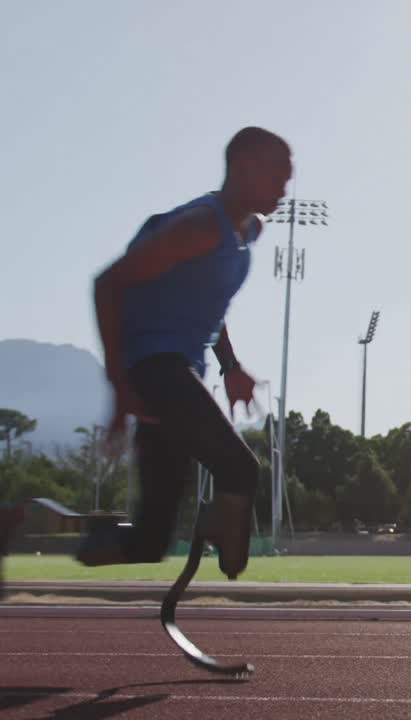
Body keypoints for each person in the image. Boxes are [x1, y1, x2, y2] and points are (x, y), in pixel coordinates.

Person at [77, 127, 292, 579]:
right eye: (279, 175)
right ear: (243, 167)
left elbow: (209, 303)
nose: (285, 188)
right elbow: (108, 284)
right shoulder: (198, 227)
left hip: (181, 372)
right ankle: (220, 533)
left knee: (150, 542)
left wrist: (230, 366)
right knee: (239, 469)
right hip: (155, 368)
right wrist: (120, 387)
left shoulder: (249, 230)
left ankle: (86, 538)